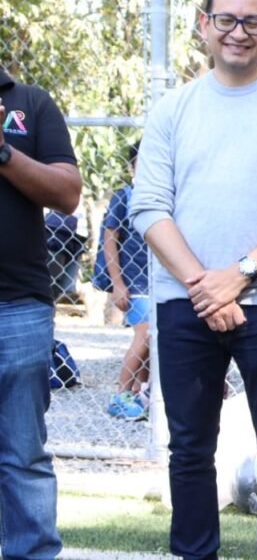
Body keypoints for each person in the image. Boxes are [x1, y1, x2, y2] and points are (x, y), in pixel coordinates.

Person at [130, 0, 257, 560]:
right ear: (203, 26)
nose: (238, 33)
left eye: (252, 22)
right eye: (226, 20)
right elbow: (149, 206)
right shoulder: (174, 109)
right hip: (186, 302)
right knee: (189, 449)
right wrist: (203, 286)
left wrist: (240, 275)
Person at [0, 67, 82, 559]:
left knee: (22, 454)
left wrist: (4, 151)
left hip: (17, 306)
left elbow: (68, 193)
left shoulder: (30, 101)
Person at [101, 142, 151, 421]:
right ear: (131, 168)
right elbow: (110, 241)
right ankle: (121, 394)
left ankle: (141, 392)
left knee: (152, 343)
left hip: (158, 282)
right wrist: (118, 283)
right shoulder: (125, 197)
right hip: (136, 283)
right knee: (145, 335)